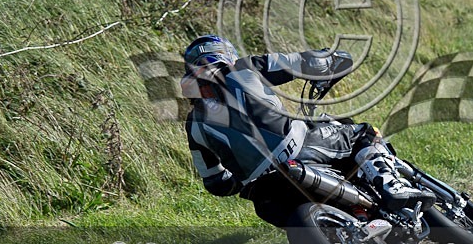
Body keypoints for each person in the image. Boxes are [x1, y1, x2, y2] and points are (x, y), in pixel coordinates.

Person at [181, 34, 434, 226]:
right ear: (225, 55)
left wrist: (241, 175)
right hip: (299, 148)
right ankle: (390, 184)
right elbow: (301, 63)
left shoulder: (193, 125)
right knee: (362, 134)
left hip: (265, 197)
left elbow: (216, 183)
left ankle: (356, 219)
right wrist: (333, 59)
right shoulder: (244, 68)